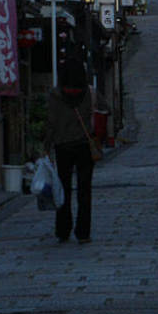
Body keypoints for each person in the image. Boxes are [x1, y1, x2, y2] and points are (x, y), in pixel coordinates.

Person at [44, 59, 101, 242]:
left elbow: (50, 123)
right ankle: (83, 232)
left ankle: (63, 229)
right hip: (84, 144)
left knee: (63, 188)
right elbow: (104, 109)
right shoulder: (89, 93)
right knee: (85, 190)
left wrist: (46, 146)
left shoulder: (55, 94)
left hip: (63, 145)